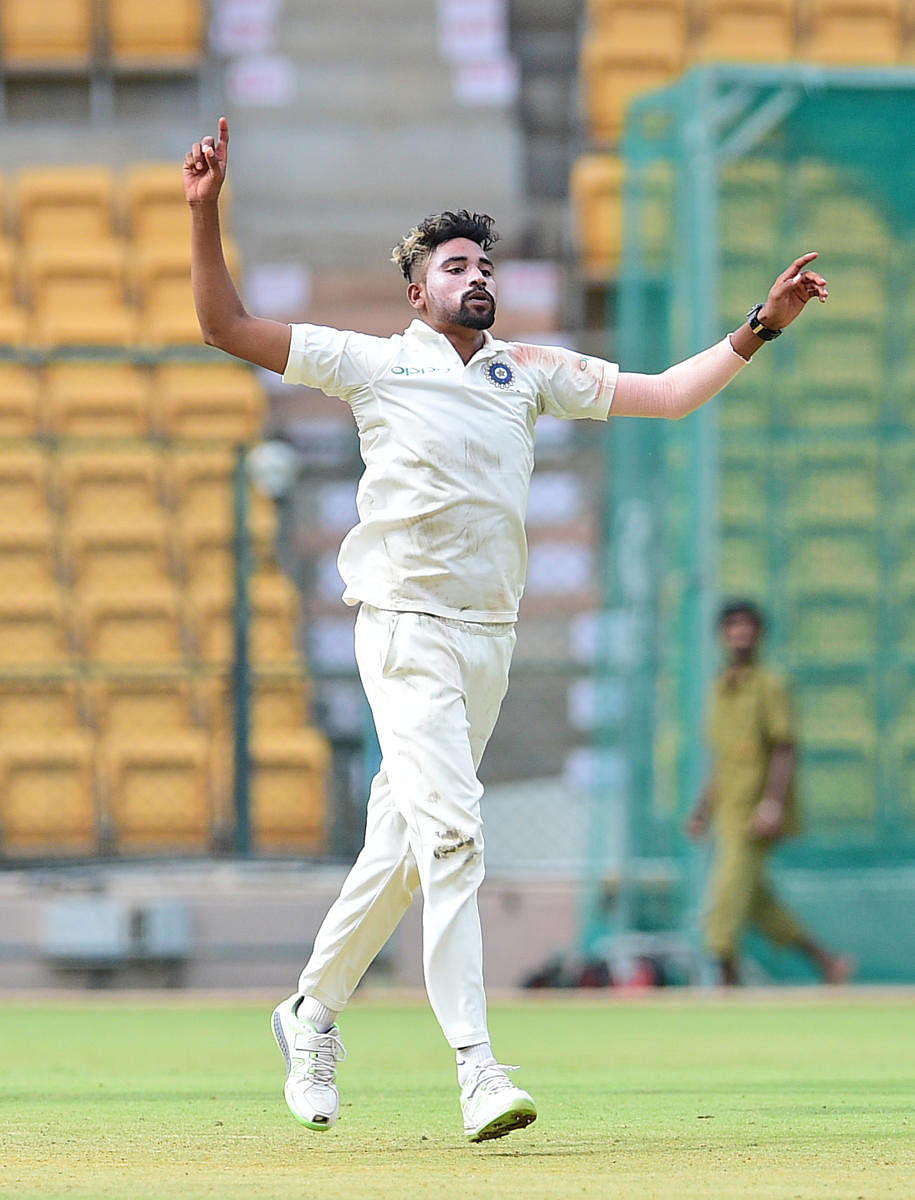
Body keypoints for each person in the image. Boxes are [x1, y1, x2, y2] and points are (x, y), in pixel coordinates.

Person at [183, 116, 829, 1143]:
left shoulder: (522, 370)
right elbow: (225, 327)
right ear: (417, 293)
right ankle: (478, 1069)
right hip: (403, 629)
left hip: (486, 642)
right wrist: (206, 212)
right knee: (454, 838)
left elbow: (663, 396)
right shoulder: (371, 364)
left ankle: (310, 1012)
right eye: (455, 264)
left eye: (485, 263)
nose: (477, 275)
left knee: (401, 852)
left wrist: (763, 325)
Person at [687, 600, 852, 987]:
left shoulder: (770, 685)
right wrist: (703, 809)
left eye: (747, 625)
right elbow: (721, 759)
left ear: (760, 633)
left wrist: (773, 804)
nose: (739, 633)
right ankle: (829, 962)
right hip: (727, 810)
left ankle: (727, 987)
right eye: (731, 625)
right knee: (759, 904)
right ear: (721, 634)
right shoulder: (721, 688)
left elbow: (784, 747)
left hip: (754, 813)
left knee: (726, 898)